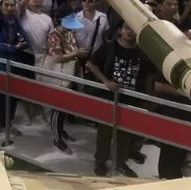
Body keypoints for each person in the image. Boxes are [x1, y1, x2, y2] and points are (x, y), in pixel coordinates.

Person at [86, 23, 153, 177]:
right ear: (121, 30)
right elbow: (91, 64)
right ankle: (101, 161)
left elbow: (148, 74)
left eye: (132, 28)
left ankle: (120, 162)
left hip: (132, 100)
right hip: (109, 98)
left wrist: (148, 97)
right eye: (126, 28)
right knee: (105, 132)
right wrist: (105, 81)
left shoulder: (142, 52)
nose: (129, 31)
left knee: (125, 134)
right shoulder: (109, 47)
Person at [0, 0, 29, 138]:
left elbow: (24, 38)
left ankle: (7, 123)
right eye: (6, 5)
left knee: (13, 96)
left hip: (13, 62)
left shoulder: (15, 20)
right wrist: (15, 47)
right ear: (0, 5)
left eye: (12, 5)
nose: (10, 8)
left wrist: (21, 43)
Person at [43, 14, 87, 155]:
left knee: (64, 107)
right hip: (59, 75)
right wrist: (76, 54)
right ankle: (56, 140)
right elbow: (56, 58)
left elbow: (73, 50)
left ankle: (60, 131)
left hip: (71, 74)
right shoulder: (54, 36)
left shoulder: (69, 33)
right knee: (58, 108)